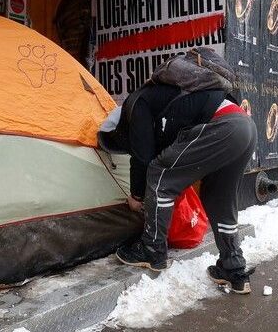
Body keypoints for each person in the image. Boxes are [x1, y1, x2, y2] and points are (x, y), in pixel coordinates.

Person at [100, 58, 258, 294]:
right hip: (244, 126)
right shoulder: (162, 99)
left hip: (223, 125)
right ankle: (233, 268)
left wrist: (136, 197)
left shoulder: (136, 103)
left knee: (159, 174)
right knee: (219, 200)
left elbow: (144, 160)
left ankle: (152, 250)